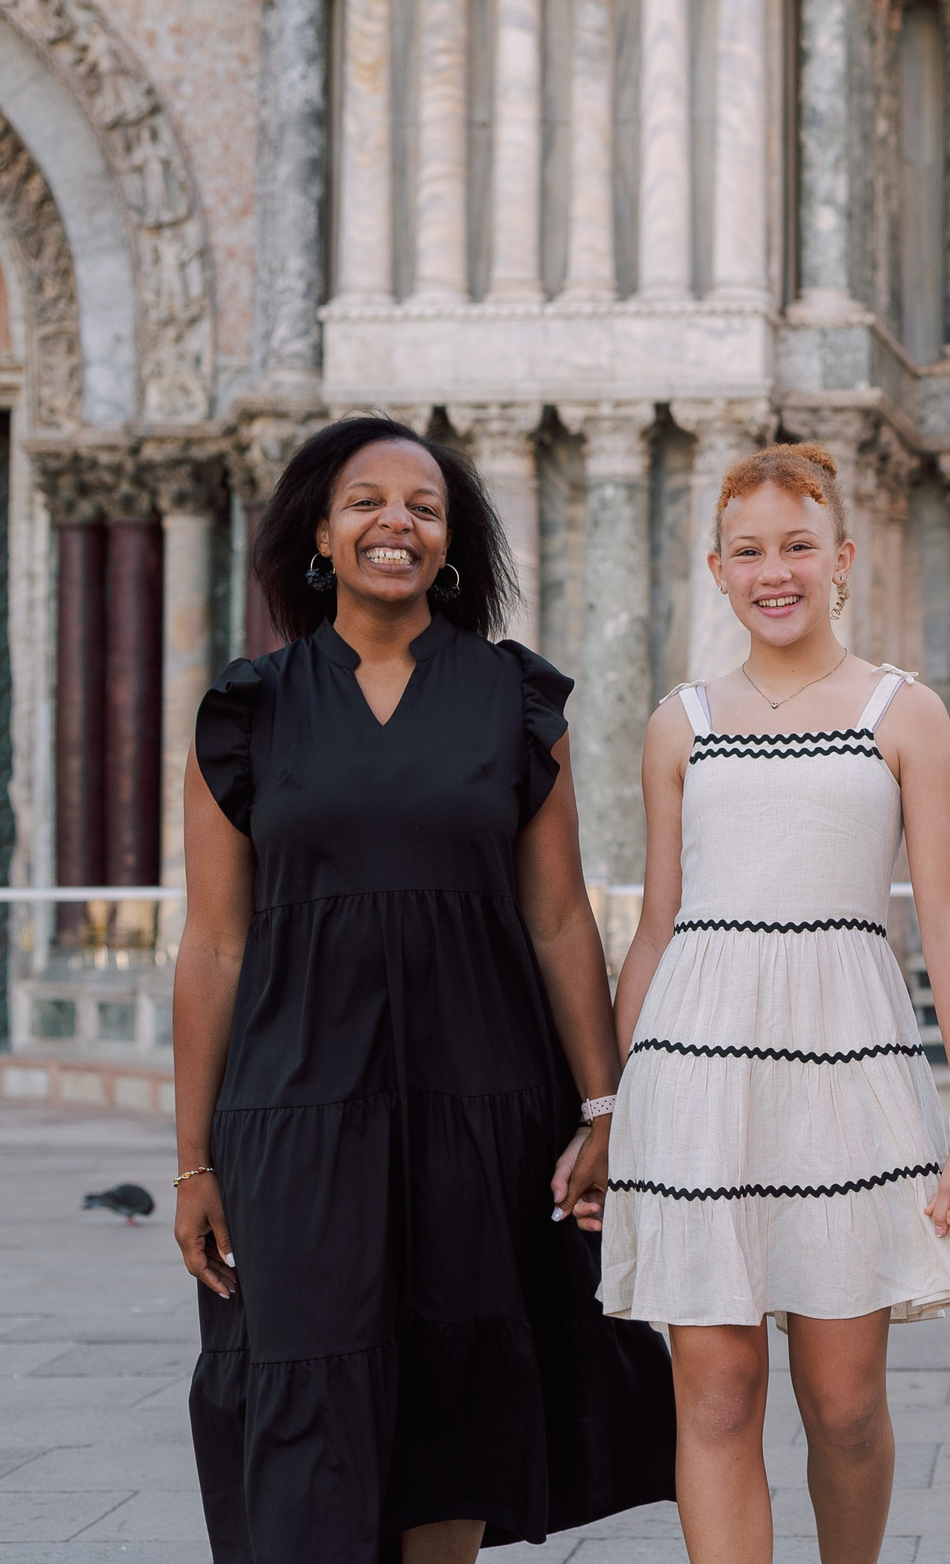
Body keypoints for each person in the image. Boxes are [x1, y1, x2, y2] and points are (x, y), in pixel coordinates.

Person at [170, 416, 676, 1563]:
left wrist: (604, 1107)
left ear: (451, 542)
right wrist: (193, 1158)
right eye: (365, 500)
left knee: (457, 1396)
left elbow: (558, 919)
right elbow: (210, 946)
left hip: (481, 1099)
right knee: (306, 1398)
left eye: (425, 505)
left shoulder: (512, 702)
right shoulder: (248, 709)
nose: (395, 520)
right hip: (296, 1108)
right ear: (319, 528)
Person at [598, 443, 950, 1563]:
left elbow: (945, 924)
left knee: (842, 1405)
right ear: (717, 568)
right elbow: (655, 928)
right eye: (749, 550)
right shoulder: (678, 721)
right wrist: (609, 1106)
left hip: (848, 1076)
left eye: (797, 545)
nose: (772, 569)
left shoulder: (903, 711)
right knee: (721, 1395)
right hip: (695, 1079)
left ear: (841, 558)